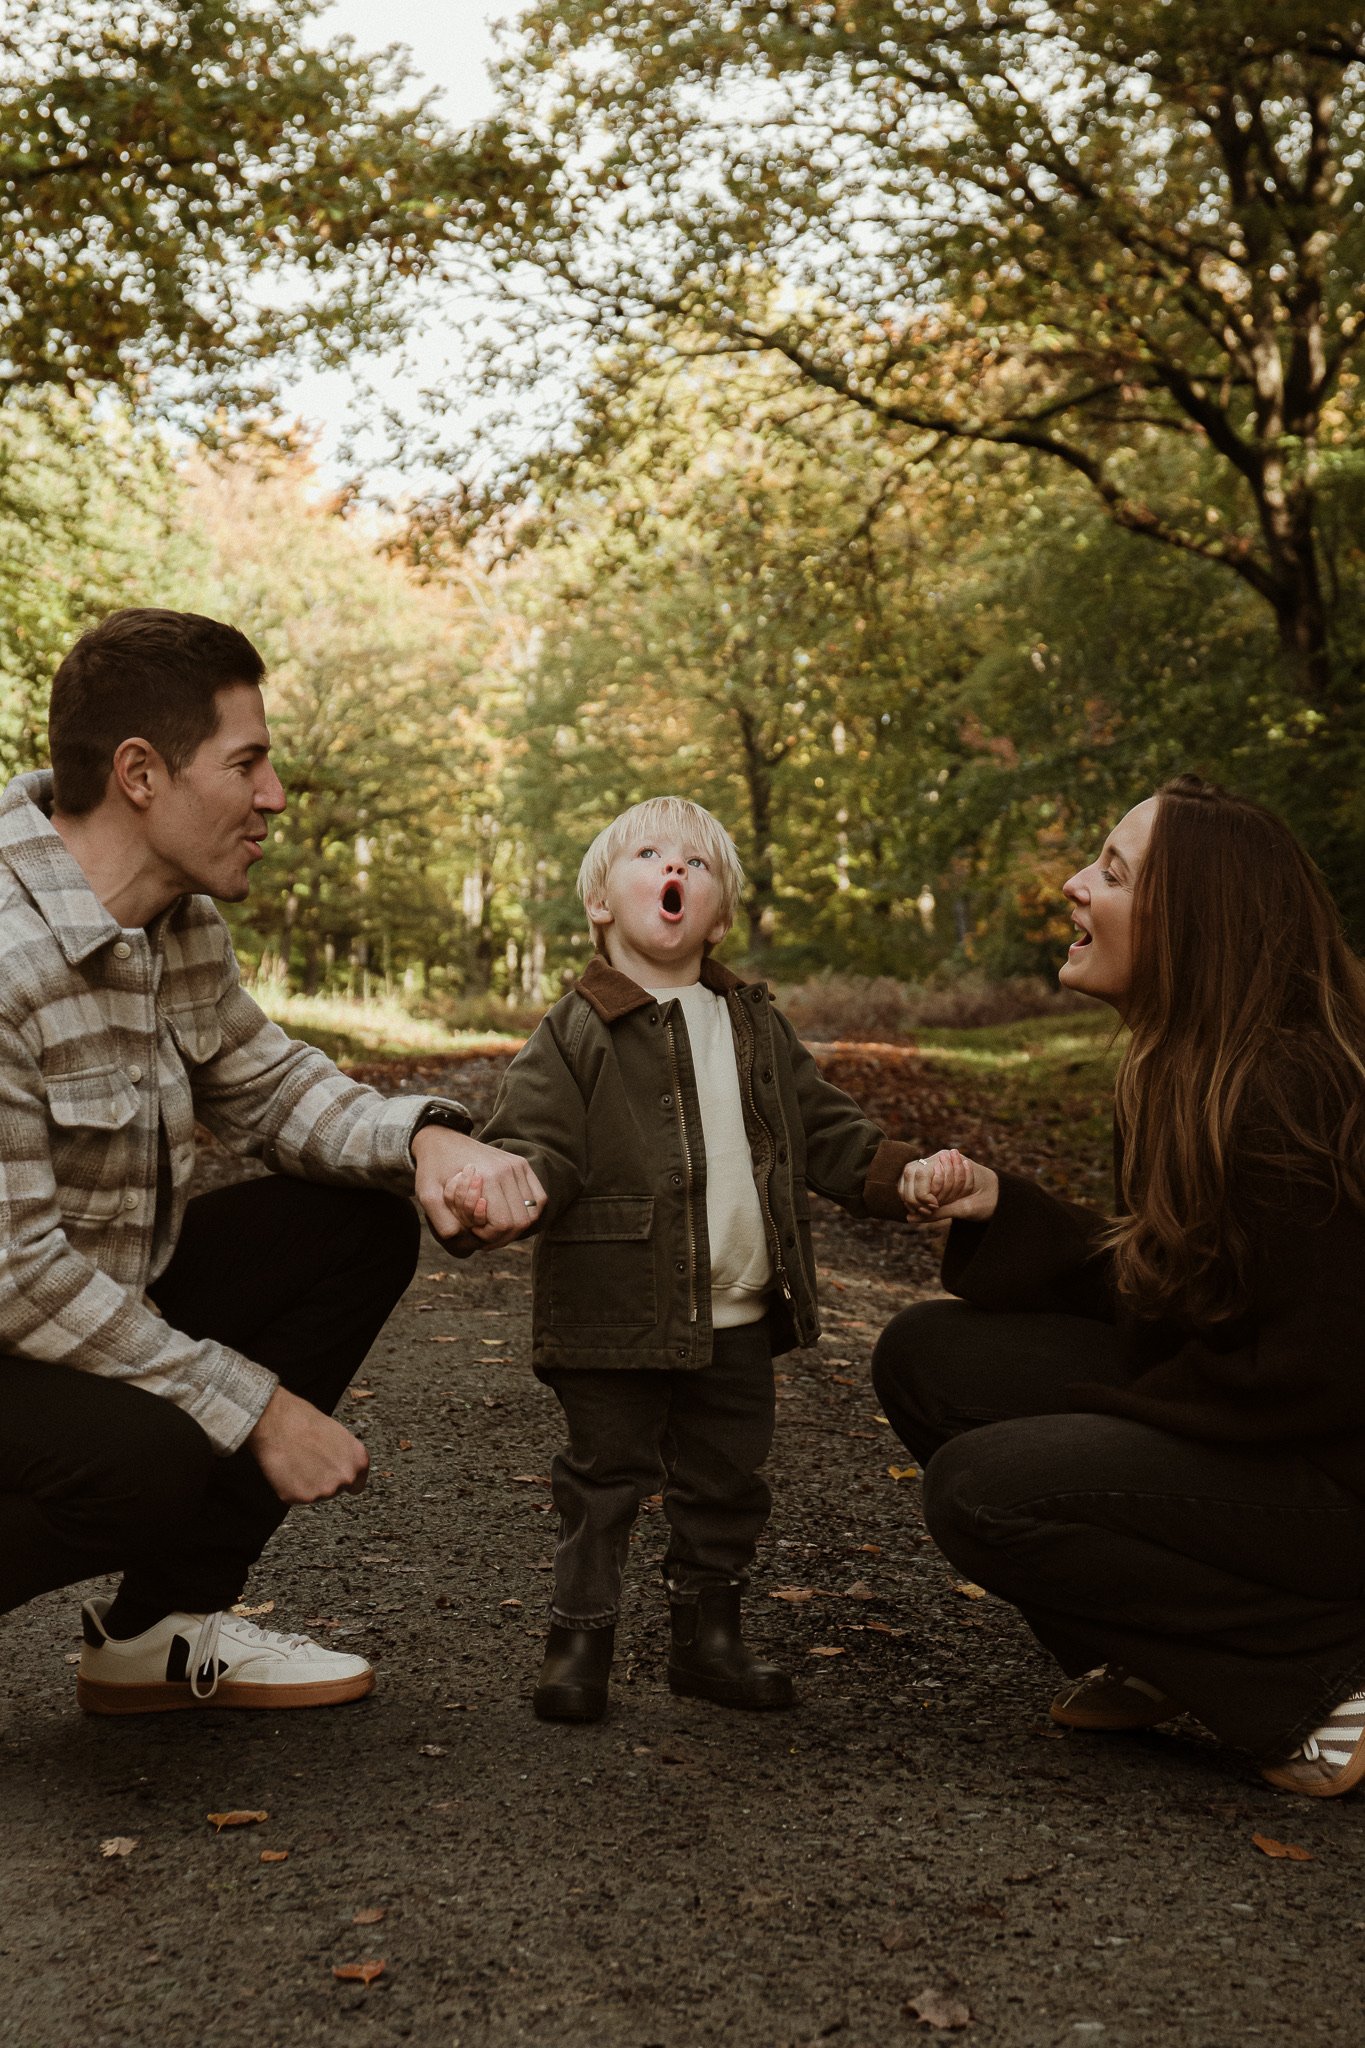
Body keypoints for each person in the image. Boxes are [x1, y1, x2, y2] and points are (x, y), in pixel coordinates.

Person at [0, 607, 545, 1715]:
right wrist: (253, 1406)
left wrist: (430, 1138)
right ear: (141, 773)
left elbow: (268, 1081)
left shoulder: (174, 916)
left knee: (347, 1227)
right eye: (246, 761)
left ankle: (159, 1632)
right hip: (12, 1313)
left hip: (77, 1315)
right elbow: (15, 1274)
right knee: (151, 1452)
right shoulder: (5, 958)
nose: (276, 794)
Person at [874, 773, 1365, 1798]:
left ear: (1193, 923)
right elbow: (1177, 1290)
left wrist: (1112, 1417)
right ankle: (1157, 1642)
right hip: (1262, 1440)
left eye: (1111, 871)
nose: (1070, 885)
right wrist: (1007, 1209)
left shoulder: (1292, 1093)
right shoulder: (1186, 1066)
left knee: (983, 1489)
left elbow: (1315, 1378)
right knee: (928, 1357)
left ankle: (1316, 1677)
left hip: (1330, 1483)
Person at [441, 796, 916, 1721]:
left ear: (720, 910)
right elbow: (535, 1142)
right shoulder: (576, 1027)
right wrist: (501, 1191)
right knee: (603, 1476)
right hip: (612, 1309)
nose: (676, 870)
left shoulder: (751, 1022)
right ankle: (579, 1641)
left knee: (725, 1481)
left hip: (736, 1306)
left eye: (697, 865)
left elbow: (822, 1127)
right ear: (600, 905)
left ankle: (709, 1638)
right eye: (651, 855)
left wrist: (900, 1175)